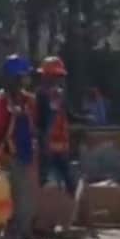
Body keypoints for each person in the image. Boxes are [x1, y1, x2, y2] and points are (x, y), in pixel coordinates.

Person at [0, 55, 39, 239]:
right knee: (17, 201)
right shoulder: (1, 101)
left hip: (24, 156)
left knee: (23, 200)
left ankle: (16, 237)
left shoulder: (26, 100)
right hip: (11, 156)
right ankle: (12, 238)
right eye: (25, 75)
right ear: (16, 77)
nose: (28, 79)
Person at [34, 56, 80, 195]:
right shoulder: (41, 95)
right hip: (47, 145)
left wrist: (84, 118)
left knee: (67, 180)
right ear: (46, 76)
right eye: (54, 76)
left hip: (60, 145)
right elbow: (41, 121)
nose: (57, 79)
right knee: (47, 180)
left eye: (58, 76)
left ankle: (70, 207)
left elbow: (69, 114)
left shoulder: (59, 94)